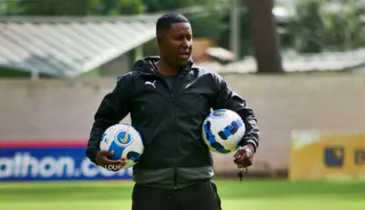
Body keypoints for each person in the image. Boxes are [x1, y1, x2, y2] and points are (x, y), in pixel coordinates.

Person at [86, 13, 260, 210]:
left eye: (189, 37)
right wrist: (95, 152)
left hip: (199, 191)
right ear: (160, 40)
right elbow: (103, 120)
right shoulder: (132, 83)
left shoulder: (208, 81)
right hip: (150, 193)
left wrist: (249, 145)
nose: (186, 44)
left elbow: (245, 114)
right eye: (178, 38)